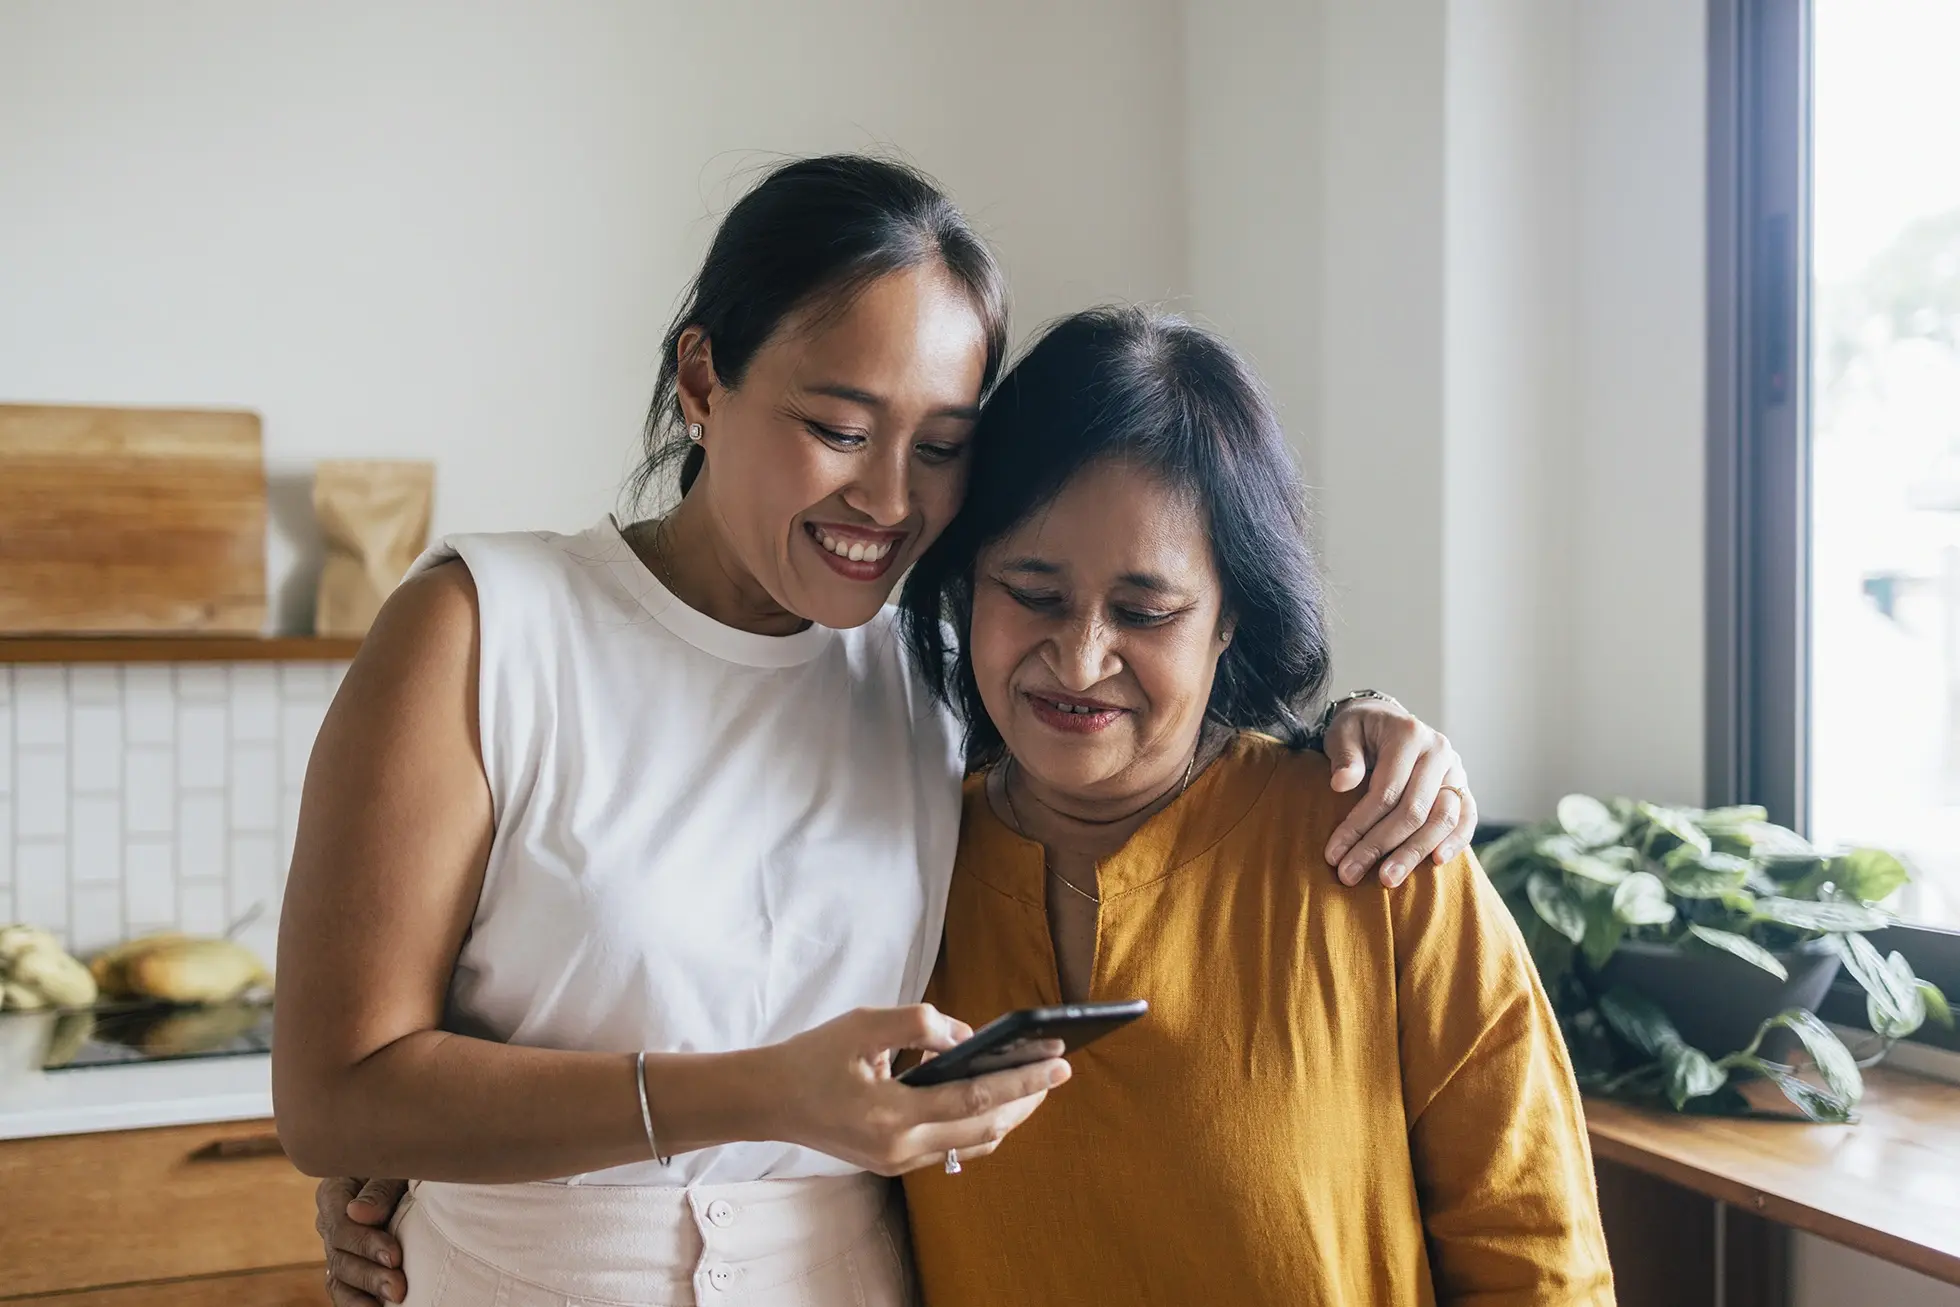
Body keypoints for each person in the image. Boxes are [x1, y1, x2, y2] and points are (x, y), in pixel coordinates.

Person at [285, 156, 1479, 1307]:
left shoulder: (934, 673)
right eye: (842, 429)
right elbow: (335, 1096)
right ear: (702, 382)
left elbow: (1136, 723)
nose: (891, 498)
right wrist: (758, 1095)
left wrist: (1360, 725)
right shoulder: (483, 629)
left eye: (942, 447)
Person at [893, 308, 1613, 1304]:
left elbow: (1535, 1256)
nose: (1081, 655)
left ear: (1231, 614)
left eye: (1145, 612)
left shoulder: (1380, 854)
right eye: (1032, 590)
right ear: (969, 579)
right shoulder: (895, 862)